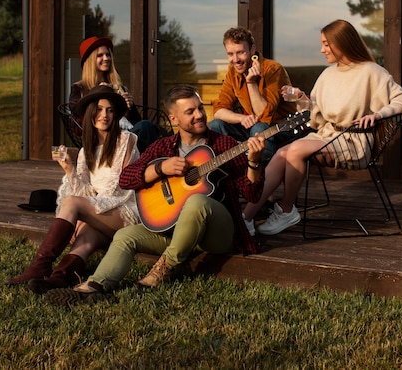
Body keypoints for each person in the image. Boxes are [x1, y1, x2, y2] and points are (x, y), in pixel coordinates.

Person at [44, 84, 265, 304]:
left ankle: (163, 269)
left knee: (197, 201)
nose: (199, 115)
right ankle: (94, 286)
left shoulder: (223, 144)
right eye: (190, 111)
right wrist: (160, 168)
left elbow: (252, 194)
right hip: (173, 230)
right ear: (174, 119)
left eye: (200, 108)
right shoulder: (164, 146)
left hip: (216, 233)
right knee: (125, 236)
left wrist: (254, 162)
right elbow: (127, 177)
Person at [243, 19, 402, 236]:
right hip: (326, 135)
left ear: (341, 43)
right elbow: (315, 116)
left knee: (294, 150)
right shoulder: (328, 74)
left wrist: (379, 114)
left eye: (326, 43)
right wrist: (300, 96)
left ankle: (286, 210)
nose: (322, 49)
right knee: (281, 153)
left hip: (354, 142)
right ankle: (247, 217)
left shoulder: (372, 72)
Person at [6, 85, 141, 291]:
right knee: (86, 239)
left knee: (72, 205)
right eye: (98, 109)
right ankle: (60, 278)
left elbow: (118, 188)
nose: (104, 115)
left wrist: (83, 213)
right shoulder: (86, 150)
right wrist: (69, 169)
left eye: (109, 110)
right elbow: (86, 191)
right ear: (89, 114)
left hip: (125, 210)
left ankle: (39, 267)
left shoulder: (126, 139)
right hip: (100, 213)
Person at [210, 26, 298, 164]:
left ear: (252, 50)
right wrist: (240, 118)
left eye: (240, 53)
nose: (235, 59)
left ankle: (259, 177)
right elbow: (218, 111)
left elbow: (264, 115)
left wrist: (250, 82)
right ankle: (225, 173)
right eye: (230, 54)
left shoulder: (272, 69)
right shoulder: (232, 72)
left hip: (286, 126)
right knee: (216, 125)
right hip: (257, 127)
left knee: (259, 129)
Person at [69, 36, 158, 152]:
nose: (106, 58)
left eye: (108, 54)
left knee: (150, 129)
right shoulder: (79, 88)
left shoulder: (118, 86)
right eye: (100, 55)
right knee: (146, 127)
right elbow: (77, 128)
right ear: (90, 60)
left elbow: (135, 123)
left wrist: (128, 108)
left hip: (126, 137)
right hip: (100, 140)